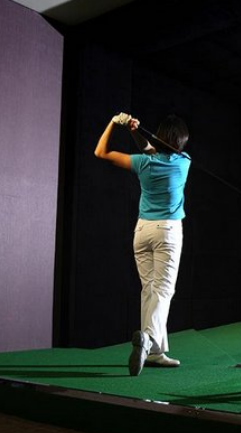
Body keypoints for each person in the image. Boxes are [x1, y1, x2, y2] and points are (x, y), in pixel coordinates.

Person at [94, 112, 191, 376]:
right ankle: (148, 339)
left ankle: (156, 352)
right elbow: (154, 149)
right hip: (167, 232)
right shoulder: (184, 162)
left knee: (149, 289)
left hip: (142, 231)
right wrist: (135, 132)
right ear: (180, 143)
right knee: (163, 291)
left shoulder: (142, 163)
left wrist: (117, 124)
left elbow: (101, 152)